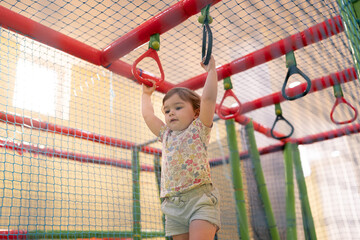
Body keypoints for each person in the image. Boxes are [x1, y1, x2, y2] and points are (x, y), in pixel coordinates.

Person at [141, 55, 220, 240]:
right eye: (167, 110)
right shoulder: (165, 135)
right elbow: (148, 116)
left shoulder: (199, 129)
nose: (171, 113)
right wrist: (146, 95)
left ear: (196, 112)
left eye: (178, 107)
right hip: (173, 206)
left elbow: (208, 99)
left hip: (200, 201)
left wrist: (212, 71)